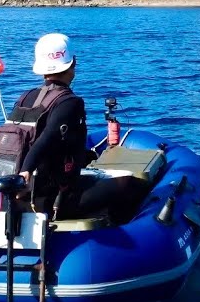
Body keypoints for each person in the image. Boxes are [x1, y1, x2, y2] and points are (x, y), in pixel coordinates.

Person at [15, 33, 148, 223]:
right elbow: (48, 138)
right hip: (54, 200)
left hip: (22, 197)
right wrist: (26, 171)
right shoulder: (70, 102)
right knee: (131, 185)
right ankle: (115, 235)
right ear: (72, 63)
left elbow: (44, 142)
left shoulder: (25, 97)